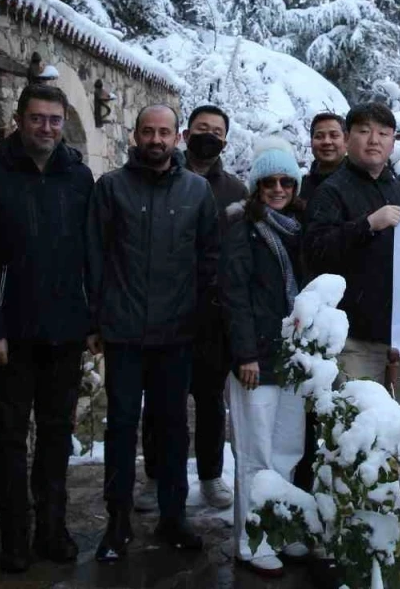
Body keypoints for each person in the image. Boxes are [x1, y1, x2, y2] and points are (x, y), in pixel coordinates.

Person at [86, 105, 219, 561]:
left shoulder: (197, 191)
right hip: (123, 333)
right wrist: (95, 321)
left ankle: (173, 516)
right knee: (122, 426)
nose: (156, 140)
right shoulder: (111, 188)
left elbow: (209, 260)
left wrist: (200, 320)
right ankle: (118, 520)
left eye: (164, 132)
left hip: (176, 334)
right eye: (148, 131)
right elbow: (95, 256)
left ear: (177, 137)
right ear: (136, 135)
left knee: (173, 428)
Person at [0, 85, 92, 571]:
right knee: (9, 436)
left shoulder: (78, 177)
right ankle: (14, 534)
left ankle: (52, 527)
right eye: (37, 118)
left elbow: (90, 253)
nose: (46, 128)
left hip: (64, 330)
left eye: (55, 120)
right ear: (18, 119)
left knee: (57, 434)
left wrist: (91, 319)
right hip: (12, 333)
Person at [137, 105, 243, 514]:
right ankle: (155, 475)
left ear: (225, 141)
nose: (208, 136)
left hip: (212, 314)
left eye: (216, 131)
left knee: (211, 399)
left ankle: (211, 475)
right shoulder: (164, 177)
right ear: (184, 134)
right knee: (161, 399)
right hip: (164, 309)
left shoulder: (235, 190)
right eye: (201, 128)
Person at [222, 138, 312, 577]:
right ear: (256, 186)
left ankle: (281, 526)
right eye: (269, 182)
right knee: (255, 453)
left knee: (287, 451)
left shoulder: (299, 230)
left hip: (292, 359)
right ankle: (252, 539)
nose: (278, 189)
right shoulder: (242, 229)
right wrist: (245, 354)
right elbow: (234, 295)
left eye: (286, 182)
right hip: (255, 359)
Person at [303, 102, 400, 386]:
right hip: (352, 337)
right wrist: (366, 225)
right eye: (364, 131)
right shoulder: (330, 191)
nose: (374, 140)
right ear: (347, 137)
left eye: (383, 133)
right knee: (357, 413)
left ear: (393, 142)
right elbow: (316, 252)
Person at [299, 112, 346, 207]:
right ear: (311, 142)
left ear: (346, 140)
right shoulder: (300, 187)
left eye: (334, 135)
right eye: (319, 136)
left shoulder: (360, 182)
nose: (326, 142)